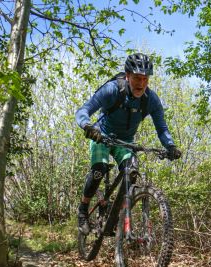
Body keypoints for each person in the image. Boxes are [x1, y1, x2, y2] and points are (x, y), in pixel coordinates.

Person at [75, 52, 182, 233]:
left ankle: (114, 216)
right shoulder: (112, 90)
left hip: (125, 142)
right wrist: (87, 126)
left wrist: (170, 146)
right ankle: (83, 210)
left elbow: (162, 128)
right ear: (127, 76)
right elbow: (84, 109)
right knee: (99, 169)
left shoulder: (151, 100)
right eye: (137, 78)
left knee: (132, 173)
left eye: (145, 79)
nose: (141, 83)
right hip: (102, 136)